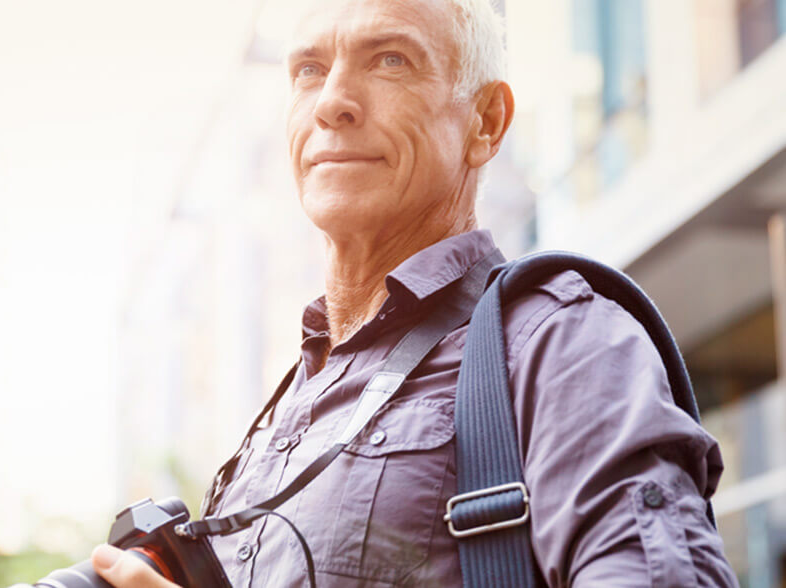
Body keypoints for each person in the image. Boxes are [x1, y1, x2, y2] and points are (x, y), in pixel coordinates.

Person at [90, 0, 738, 585]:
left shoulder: (558, 340)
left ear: (486, 121)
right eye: (309, 70)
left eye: (390, 59)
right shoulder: (277, 420)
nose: (331, 101)